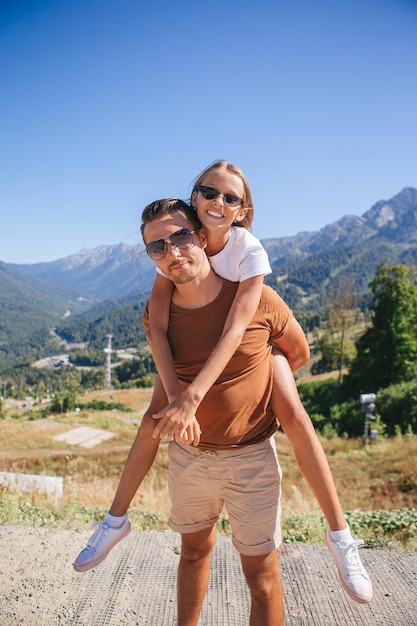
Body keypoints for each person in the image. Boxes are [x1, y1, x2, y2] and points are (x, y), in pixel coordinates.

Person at [74, 162, 373, 606]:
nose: (172, 250)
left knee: (294, 423)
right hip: (191, 457)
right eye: (158, 246)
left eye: (179, 238)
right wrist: (178, 397)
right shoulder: (165, 278)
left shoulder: (249, 265)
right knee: (190, 543)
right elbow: (156, 330)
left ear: (200, 232)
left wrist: (267, 365)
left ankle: (341, 535)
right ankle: (114, 520)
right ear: (196, 201)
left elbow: (286, 346)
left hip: (251, 455)